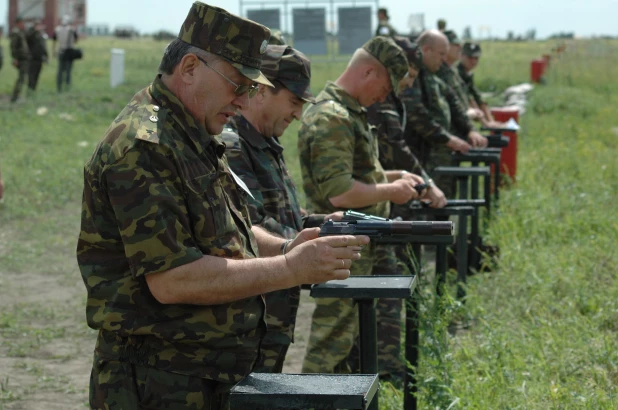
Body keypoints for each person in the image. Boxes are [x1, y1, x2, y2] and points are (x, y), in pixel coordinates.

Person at [76, 3, 368, 409]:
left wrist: (283, 247)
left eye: (252, 88)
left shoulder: (192, 134)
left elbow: (229, 231)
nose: (245, 98)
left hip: (203, 373)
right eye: (238, 85)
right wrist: (289, 268)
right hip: (155, 383)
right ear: (191, 68)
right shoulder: (145, 146)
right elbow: (173, 279)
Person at [298, 36, 423, 375]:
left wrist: (394, 176)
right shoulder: (333, 117)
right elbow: (340, 192)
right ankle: (311, 399)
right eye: (385, 87)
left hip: (355, 245)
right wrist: (390, 190)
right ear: (369, 72)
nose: (384, 97)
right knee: (332, 341)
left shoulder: (346, 113)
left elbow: (359, 174)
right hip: (341, 244)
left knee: (349, 340)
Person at [221, 44, 339, 373]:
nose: (299, 113)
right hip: (250, 314)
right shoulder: (233, 145)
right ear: (262, 90)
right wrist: (310, 241)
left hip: (276, 309)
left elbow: (285, 219)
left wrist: (325, 224)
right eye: (294, 101)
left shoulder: (267, 143)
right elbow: (249, 226)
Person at [401, 30, 487, 197]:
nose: (444, 59)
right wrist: (447, 138)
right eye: (441, 54)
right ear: (426, 50)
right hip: (418, 155)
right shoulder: (411, 74)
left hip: (437, 154)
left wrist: (470, 129)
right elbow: (416, 114)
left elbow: (454, 103)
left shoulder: (433, 75)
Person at [458, 42, 502, 127]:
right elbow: (469, 100)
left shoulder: (467, 75)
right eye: (470, 57)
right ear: (461, 56)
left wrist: (490, 121)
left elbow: (478, 98)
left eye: (476, 58)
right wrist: (486, 123)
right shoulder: (457, 74)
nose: (473, 61)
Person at [52, 15, 78, 92]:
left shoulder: (57, 29)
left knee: (60, 70)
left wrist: (54, 51)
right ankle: (67, 86)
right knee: (68, 71)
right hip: (69, 52)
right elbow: (76, 40)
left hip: (61, 51)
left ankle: (59, 87)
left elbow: (54, 41)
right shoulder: (72, 30)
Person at [9, 17, 29, 103]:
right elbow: (13, 47)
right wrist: (15, 58)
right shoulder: (16, 33)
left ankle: (16, 96)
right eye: (22, 23)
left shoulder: (20, 32)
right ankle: (14, 97)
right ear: (18, 23)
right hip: (20, 59)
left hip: (24, 58)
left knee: (22, 78)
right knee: (21, 78)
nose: (23, 25)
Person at [26, 19, 48, 92]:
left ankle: (33, 89)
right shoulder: (31, 33)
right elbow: (27, 37)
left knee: (37, 75)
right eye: (37, 25)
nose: (39, 27)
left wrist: (46, 56)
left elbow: (43, 46)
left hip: (39, 58)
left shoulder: (41, 34)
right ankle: (30, 89)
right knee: (31, 75)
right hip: (32, 58)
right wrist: (35, 30)